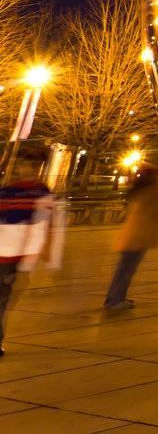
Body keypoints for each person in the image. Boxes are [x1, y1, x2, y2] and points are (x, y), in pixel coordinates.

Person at [1, 149, 65, 356]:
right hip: (9, 255)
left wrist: (47, 258)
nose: (25, 169)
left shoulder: (41, 193)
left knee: (2, 298)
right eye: (24, 165)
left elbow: (48, 227)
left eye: (30, 165)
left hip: (12, 257)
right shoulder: (8, 191)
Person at [104, 168, 158, 311]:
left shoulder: (138, 192)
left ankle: (114, 298)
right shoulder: (150, 192)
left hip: (132, 237)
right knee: (126, 270)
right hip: (137, 238)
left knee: (124, 270)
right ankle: (115, 301)